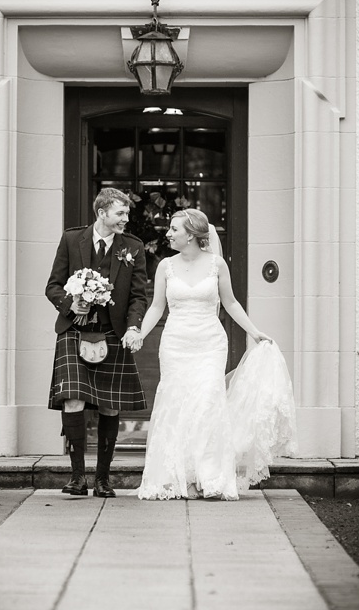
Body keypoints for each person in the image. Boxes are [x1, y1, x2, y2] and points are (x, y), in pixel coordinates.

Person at [126, 208, 273, 501]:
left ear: (191, 234)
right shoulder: (165, 266)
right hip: (176, 344)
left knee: (207, 404)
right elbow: (156, 307)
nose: (168, 233)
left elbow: (230, 303)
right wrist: (141, 333)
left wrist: (254, 332)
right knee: (177, 405)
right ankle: (180, 478)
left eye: (174, 229)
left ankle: (208, 477)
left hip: (209, 344)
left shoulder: (217, 265)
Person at [46, 188, 147, 498]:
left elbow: (138, 296)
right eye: (120, 213)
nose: (126, 219)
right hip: (74, 332)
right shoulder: (71, 239)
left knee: (110, 405)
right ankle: (78, 478)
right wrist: (69, 304)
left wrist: (133, 327)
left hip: (112, 333)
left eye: (127, 213)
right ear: (102, 213)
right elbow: (52, 286)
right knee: (73, 400)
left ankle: (103, 479)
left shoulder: (133, 247)